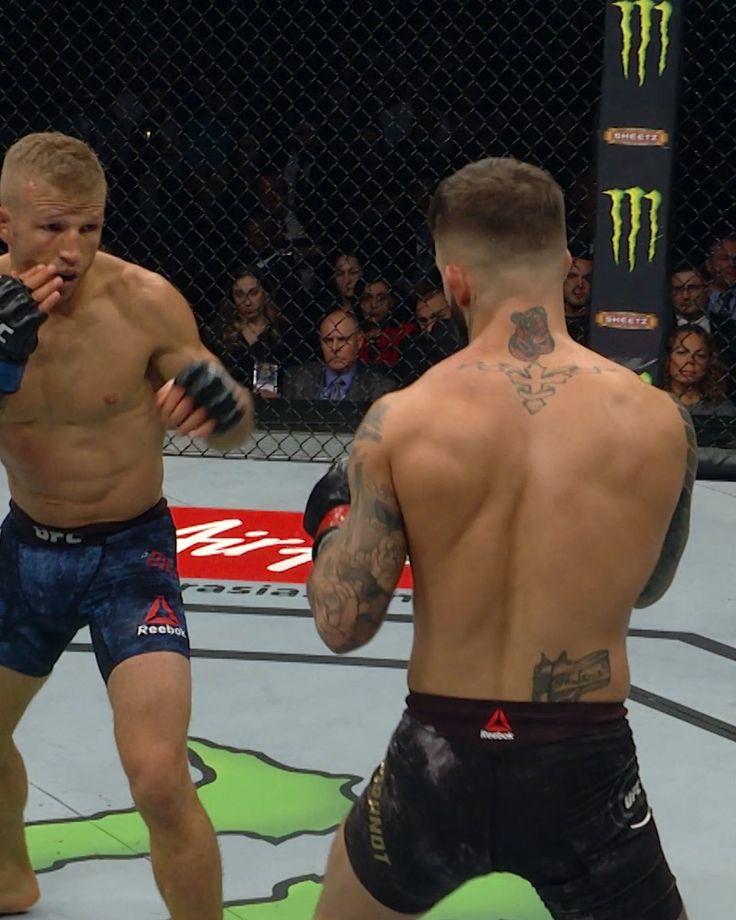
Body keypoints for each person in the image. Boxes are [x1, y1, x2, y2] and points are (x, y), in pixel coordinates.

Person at [302, 157, 693, 920]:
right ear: (567, 265)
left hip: (438, 758)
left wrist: (334, 520)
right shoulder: (660, 422)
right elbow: (648, 586)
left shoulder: (401, 421)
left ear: (454, 280)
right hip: (583, 762)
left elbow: (342, 624)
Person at [0, 131, 254, 919]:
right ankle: (11, 877)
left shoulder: (145, 302)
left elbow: (239, 420)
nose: (72, 249)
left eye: (91, 228)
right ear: (4, 222)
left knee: (157, 776)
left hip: (129, 556)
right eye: (52, 228)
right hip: (28, 550)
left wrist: (223, 407)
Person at [282, 309, 396, 402]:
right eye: (328, 340)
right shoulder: (297, 380)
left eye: (342, 340)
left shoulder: (380, 389)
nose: (335, 348)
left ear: (359, 341)